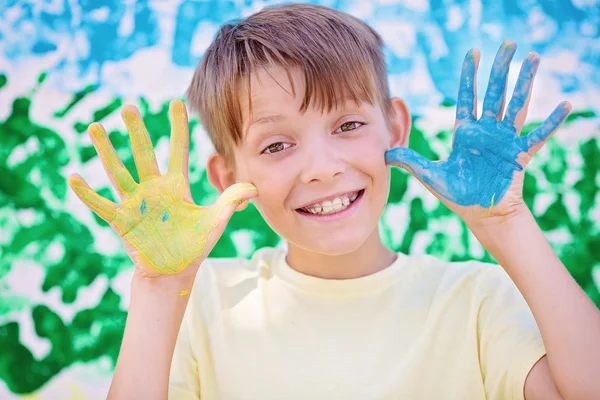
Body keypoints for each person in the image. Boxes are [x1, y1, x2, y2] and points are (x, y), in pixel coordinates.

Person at [68, 4, 600, 400]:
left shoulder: (475, 301)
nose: (323, 168)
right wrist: (161, 290)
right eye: (277, 145)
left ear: (394, 126)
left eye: (347, 125)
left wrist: (506, 224)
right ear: (228, 176)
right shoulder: (203, 304)